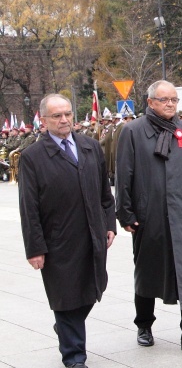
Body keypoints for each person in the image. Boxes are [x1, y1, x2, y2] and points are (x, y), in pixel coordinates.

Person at [115, 80, 182, 354]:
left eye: (174, 99)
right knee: (147, 270)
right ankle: (144, 325)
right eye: (164, 99)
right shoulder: (132, 132)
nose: (170, 104)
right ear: (150, 102)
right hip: (150, 216)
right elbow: (124, 176)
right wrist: (126, 213)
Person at [19, 94, 116, 368]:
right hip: (58, 240)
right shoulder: (32, 157)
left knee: (95, 287)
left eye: (67, 114)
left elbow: (105, 194)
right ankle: (74, 357)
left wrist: (109, 225)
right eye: (56, 116)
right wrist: (35, 247)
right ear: (44, 120)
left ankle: (65, 329)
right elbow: (29, 207)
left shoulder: (90, 147)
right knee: (66, 297)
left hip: (93, 235)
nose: (64, 120)